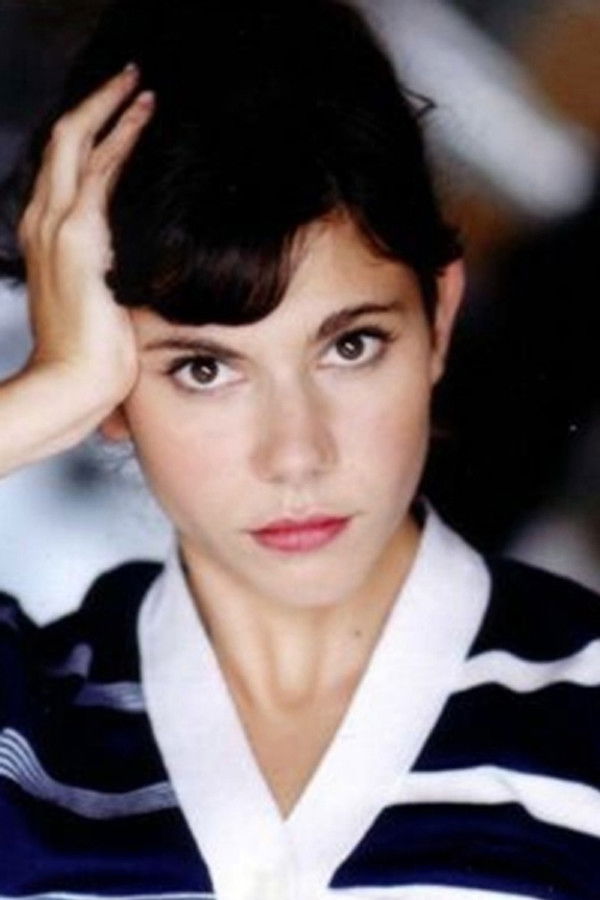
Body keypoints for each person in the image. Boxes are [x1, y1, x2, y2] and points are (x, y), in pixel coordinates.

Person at [0, 1, 598, 897]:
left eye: (350, 346)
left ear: (437, 318)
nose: (295, 455)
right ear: (113, 386)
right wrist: (50, 390)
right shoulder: (29, 729)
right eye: (204, 368)